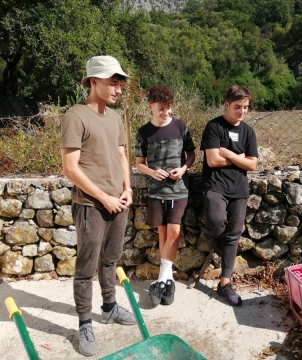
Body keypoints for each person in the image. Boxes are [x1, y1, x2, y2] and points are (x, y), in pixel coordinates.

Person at [60, 55, 136, 357]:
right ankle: (84, 322)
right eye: (112, 82)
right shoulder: (75, 116)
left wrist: (127, 188)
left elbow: (121, 157)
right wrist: (103, 197)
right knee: (86, 266)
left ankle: (109, 307)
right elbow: (70, 168)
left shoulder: (115, 118)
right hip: (91, 204)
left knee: (110, 259)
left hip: (119, 201)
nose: (118, 88)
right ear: (94, 81)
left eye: (120, 83)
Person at [134, 85, 196, 306]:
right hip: (156, 190)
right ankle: (168, 282)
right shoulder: (143, 132)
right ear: (150, 106)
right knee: (162, 233)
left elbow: (191, 154)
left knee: (174, 231)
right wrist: (152, 172)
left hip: (179, 189)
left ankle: (162, 277)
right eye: (161, 108)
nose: (166, 112)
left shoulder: (181, 126)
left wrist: (184, 168)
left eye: (168, 108)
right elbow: (139, 164)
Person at [200, 85, 258, 306]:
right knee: (216, 223)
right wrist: (238, 157)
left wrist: (227, 152)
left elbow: (252, 164)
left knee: (233, 233)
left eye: (245, 107)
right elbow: (212, 161)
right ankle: (221, 250)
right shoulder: (214, 127)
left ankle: (225, 283)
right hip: (215, 186)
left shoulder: (248, 132)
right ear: (226, 104)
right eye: (237, 107)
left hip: (239, 190)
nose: (242, 111)